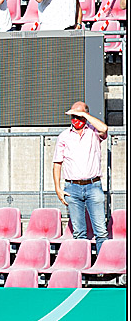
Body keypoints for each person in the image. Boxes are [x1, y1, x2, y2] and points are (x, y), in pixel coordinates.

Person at [53, 102, 110, 254]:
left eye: (79, 116)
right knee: (79, 233)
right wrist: (58, 189)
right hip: (72, 188)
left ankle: (103, 267)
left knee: (101, 231)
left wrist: (84, 114)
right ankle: (82, 266)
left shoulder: (94, 132)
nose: (75, 119)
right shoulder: (64, 136)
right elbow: (57, 163)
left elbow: (104, 129)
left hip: (93, 185)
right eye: (73, 116)